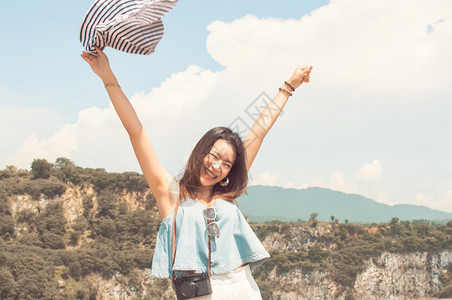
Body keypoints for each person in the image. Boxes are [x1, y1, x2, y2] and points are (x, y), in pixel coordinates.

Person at [81, 47, 312, 299]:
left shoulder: (226, 195)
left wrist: (289, 86)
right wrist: (107, 77)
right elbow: (136, 132)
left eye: (226, 164)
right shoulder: (171, 195)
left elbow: (259, 130)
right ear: (200, 152)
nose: (217, 166)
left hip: (242, 287)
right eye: (214, 156)